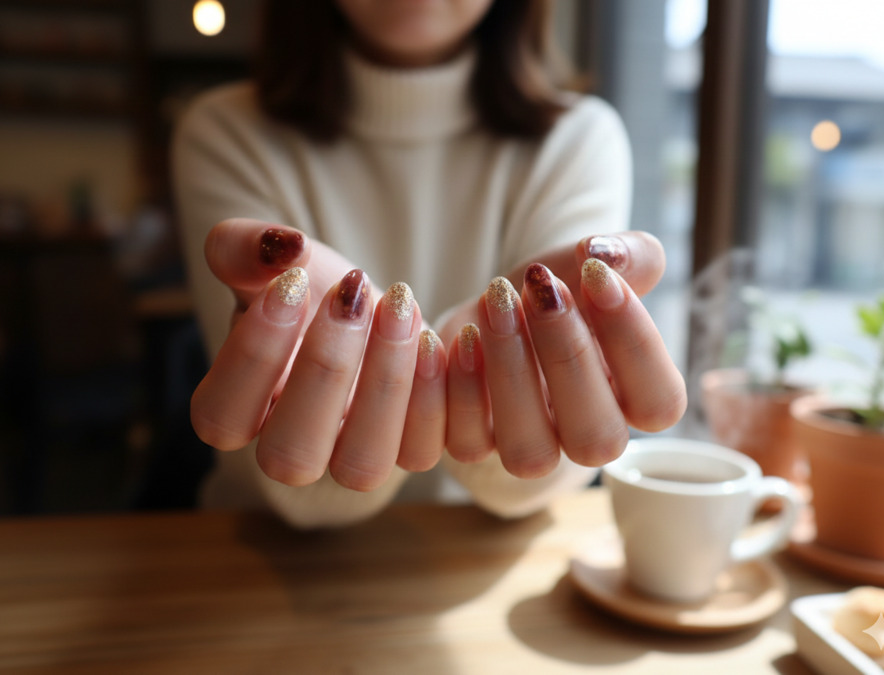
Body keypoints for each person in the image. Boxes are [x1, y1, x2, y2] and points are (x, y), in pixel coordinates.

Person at [172, 0, 686, 528]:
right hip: (249, 563)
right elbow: (281, 471)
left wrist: (496, 417)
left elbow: (537, 472)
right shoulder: (226, 130)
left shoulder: (579, 136)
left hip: (489, 563)